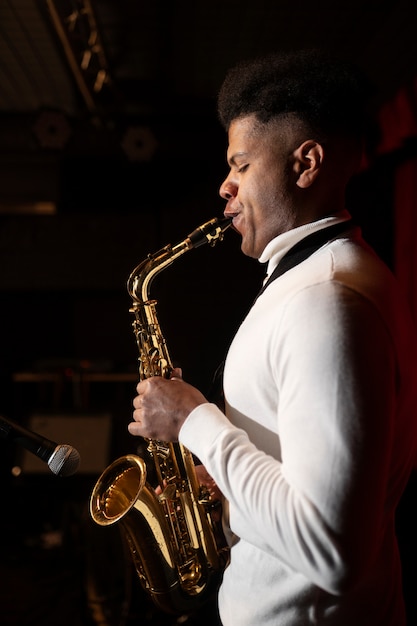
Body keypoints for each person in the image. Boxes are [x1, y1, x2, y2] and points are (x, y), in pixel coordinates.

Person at [128, 49, 417, 625]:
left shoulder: (326, 301)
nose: (224, 187)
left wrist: (195, 423)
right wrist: (227, 486)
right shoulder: (318, 282)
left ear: (305, 162)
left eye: (240, 165)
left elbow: (330, 549)